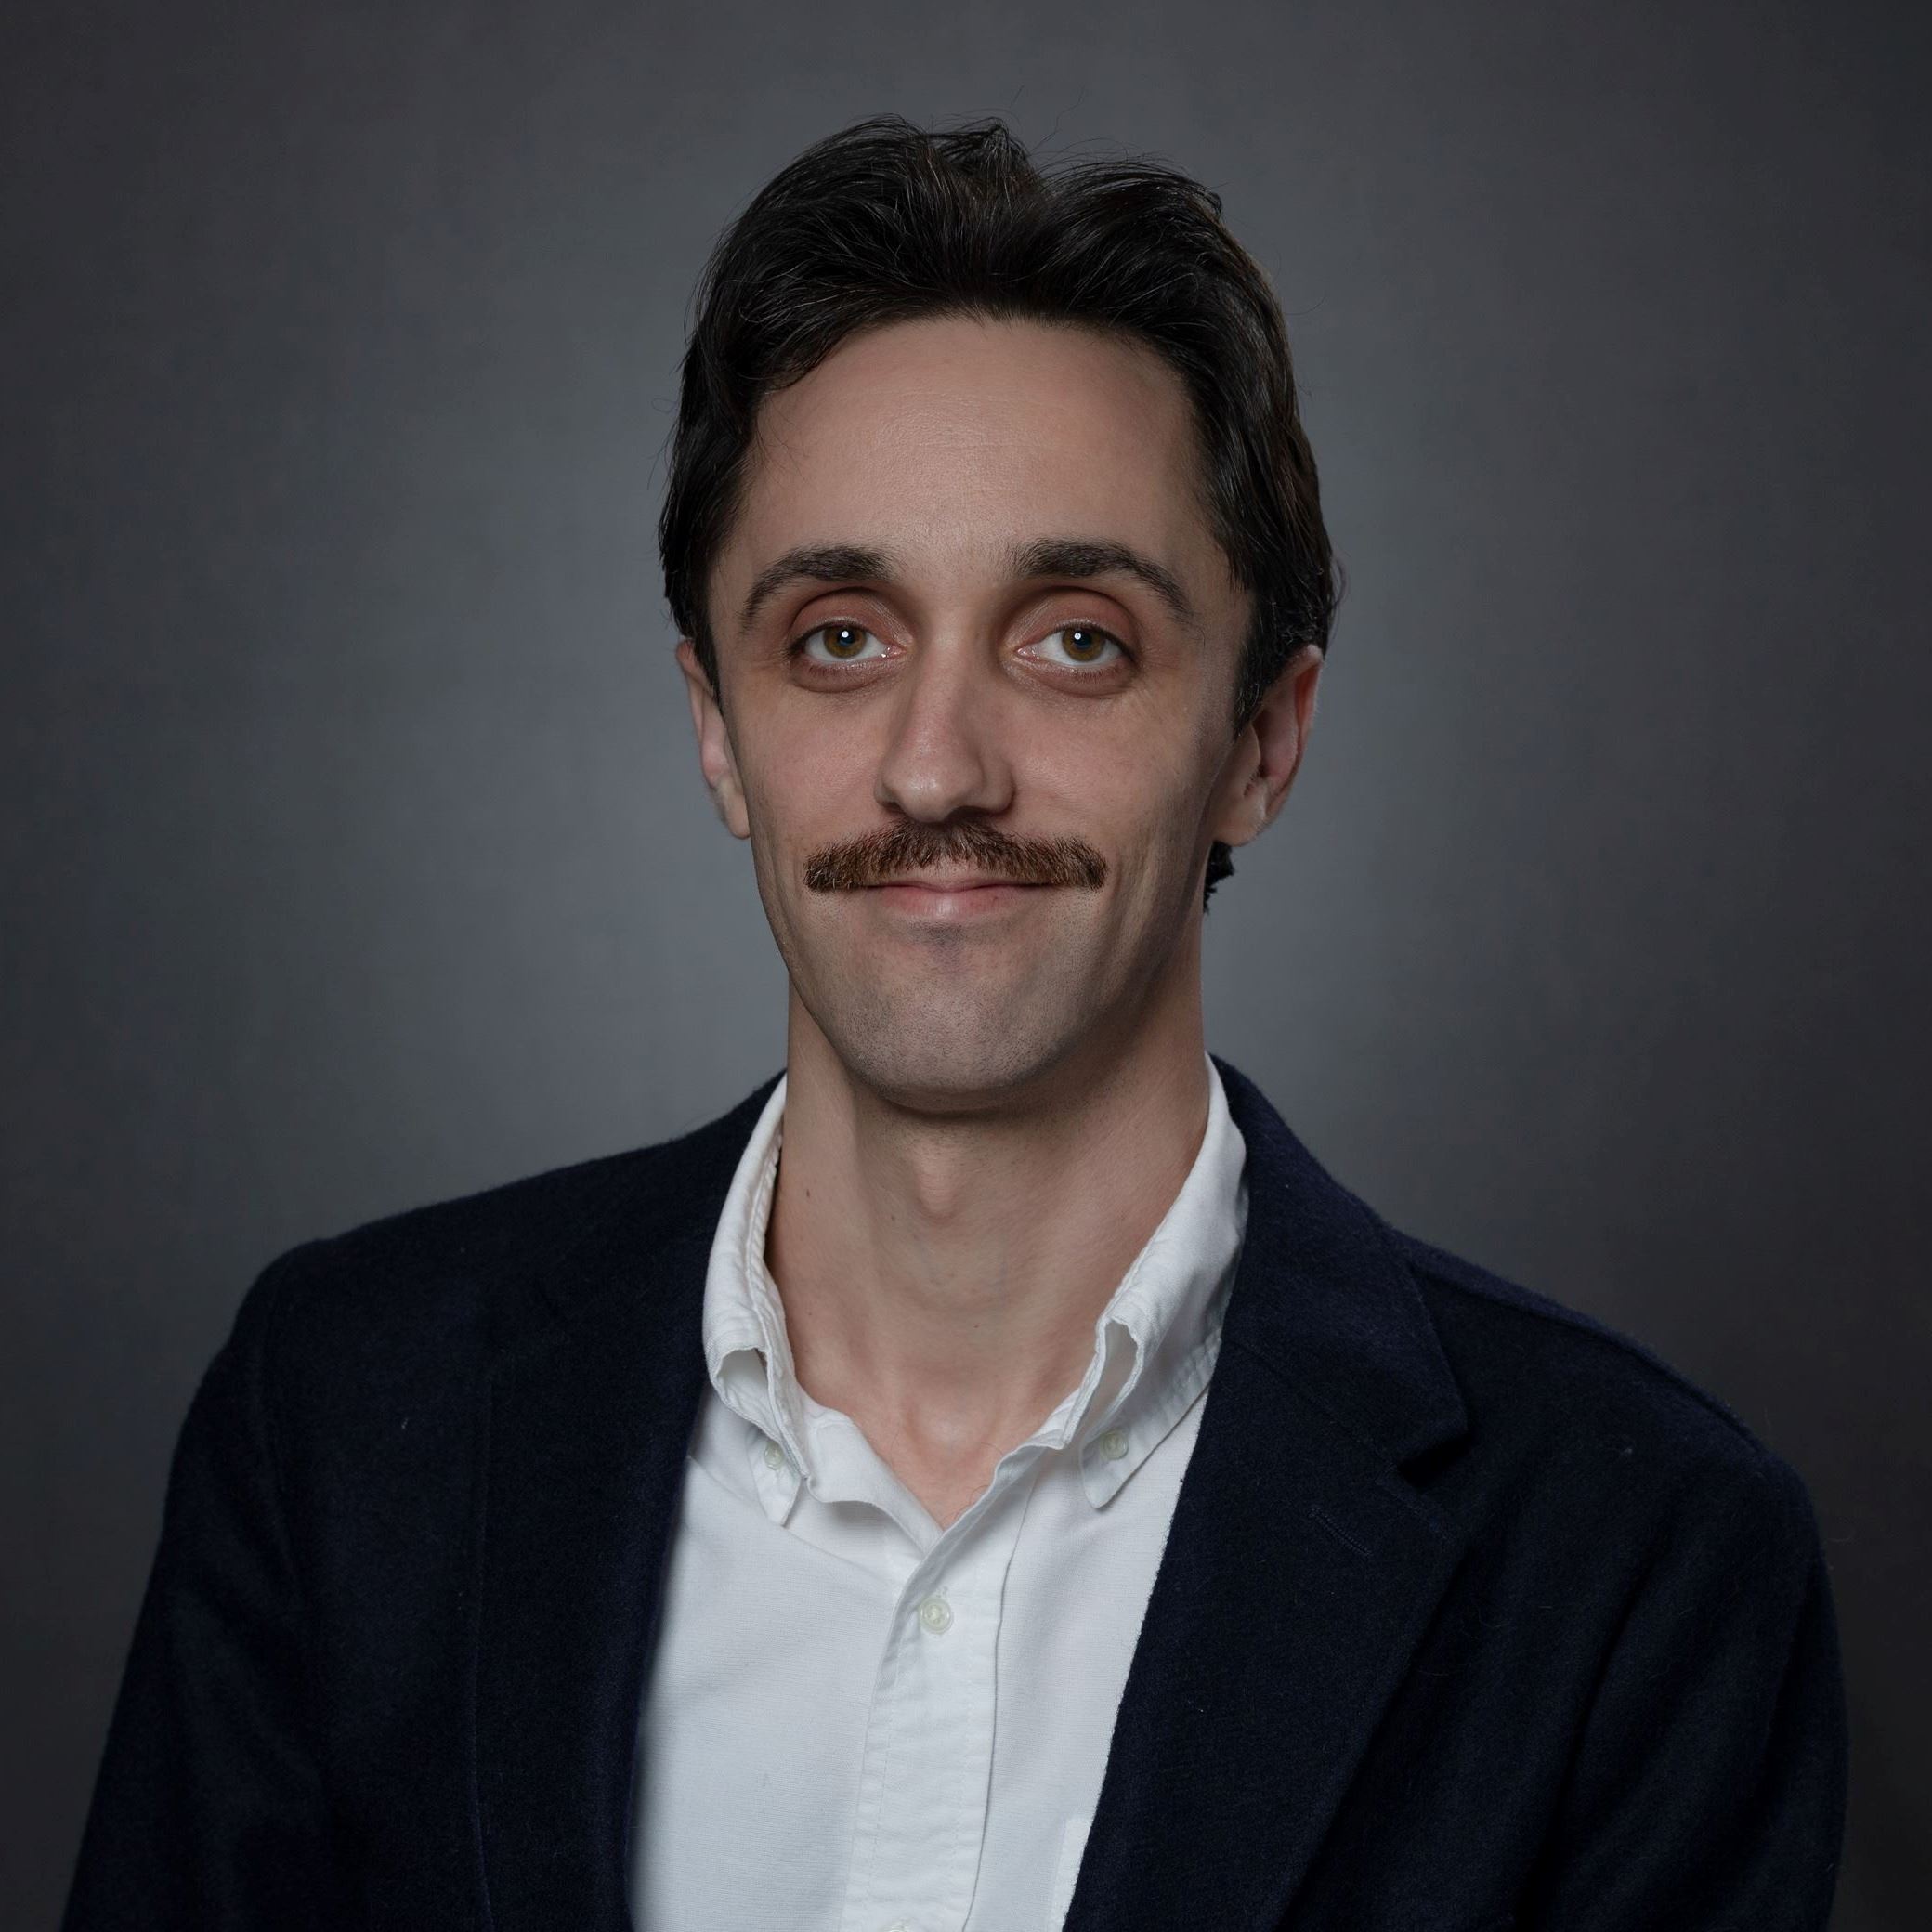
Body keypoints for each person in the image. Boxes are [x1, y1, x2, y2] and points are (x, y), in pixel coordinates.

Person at [62, 115, 1847, 1932]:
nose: (935, 768)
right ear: (715, 727)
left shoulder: (1639, 1561)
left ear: (1262, 737)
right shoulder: (342, 1424)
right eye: (838, 637)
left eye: (1074, 639)